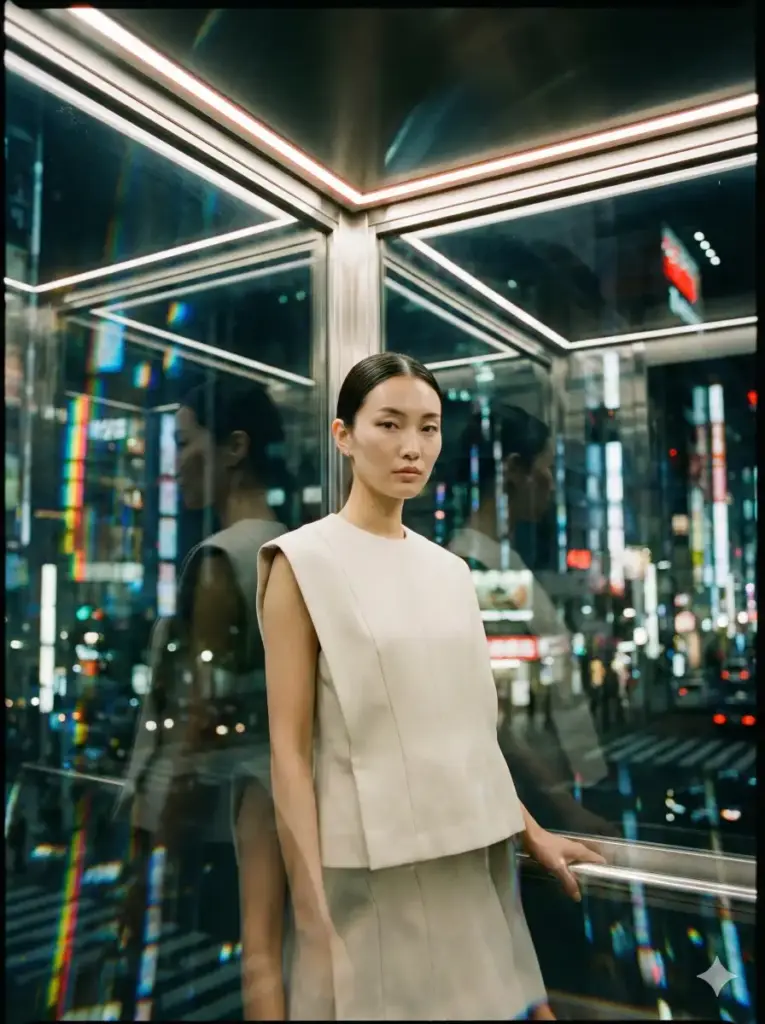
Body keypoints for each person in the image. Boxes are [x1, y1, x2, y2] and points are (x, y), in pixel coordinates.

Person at [256, 352, 605, 1021]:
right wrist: (311, 918)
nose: (411, 447)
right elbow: (288, 755)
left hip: (473, 867)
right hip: (368, 882)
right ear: (343, 436)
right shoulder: (303, 561)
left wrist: (531, 831)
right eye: (388, 424)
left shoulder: (450, 571)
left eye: (428, 427)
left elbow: (469, 734)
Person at [118, 376, 290, 1020]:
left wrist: (154, 857)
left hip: (208, 834)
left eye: (187, 442)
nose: (177, 461)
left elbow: (196, 722)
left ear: (234, 448)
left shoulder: (222, 559)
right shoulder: (291, 545)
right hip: (256, 830)